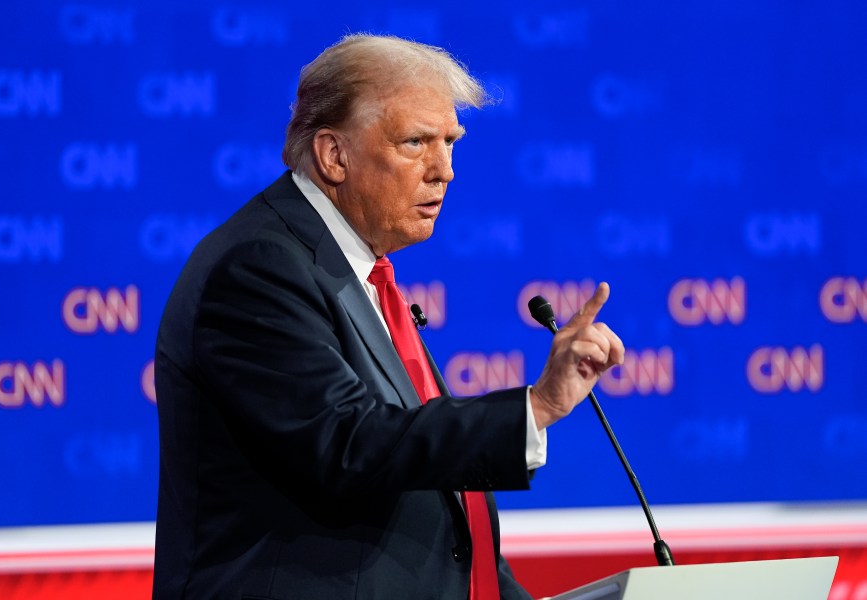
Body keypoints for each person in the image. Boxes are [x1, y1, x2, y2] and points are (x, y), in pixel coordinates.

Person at [152, 34, 624, 600]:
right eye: (415, 142)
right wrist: (537, 406)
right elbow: (347, 444)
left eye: (451, 142)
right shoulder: (259, 267)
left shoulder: (355, 269)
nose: (444, 171)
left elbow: (431, 506)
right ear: (334, 155)